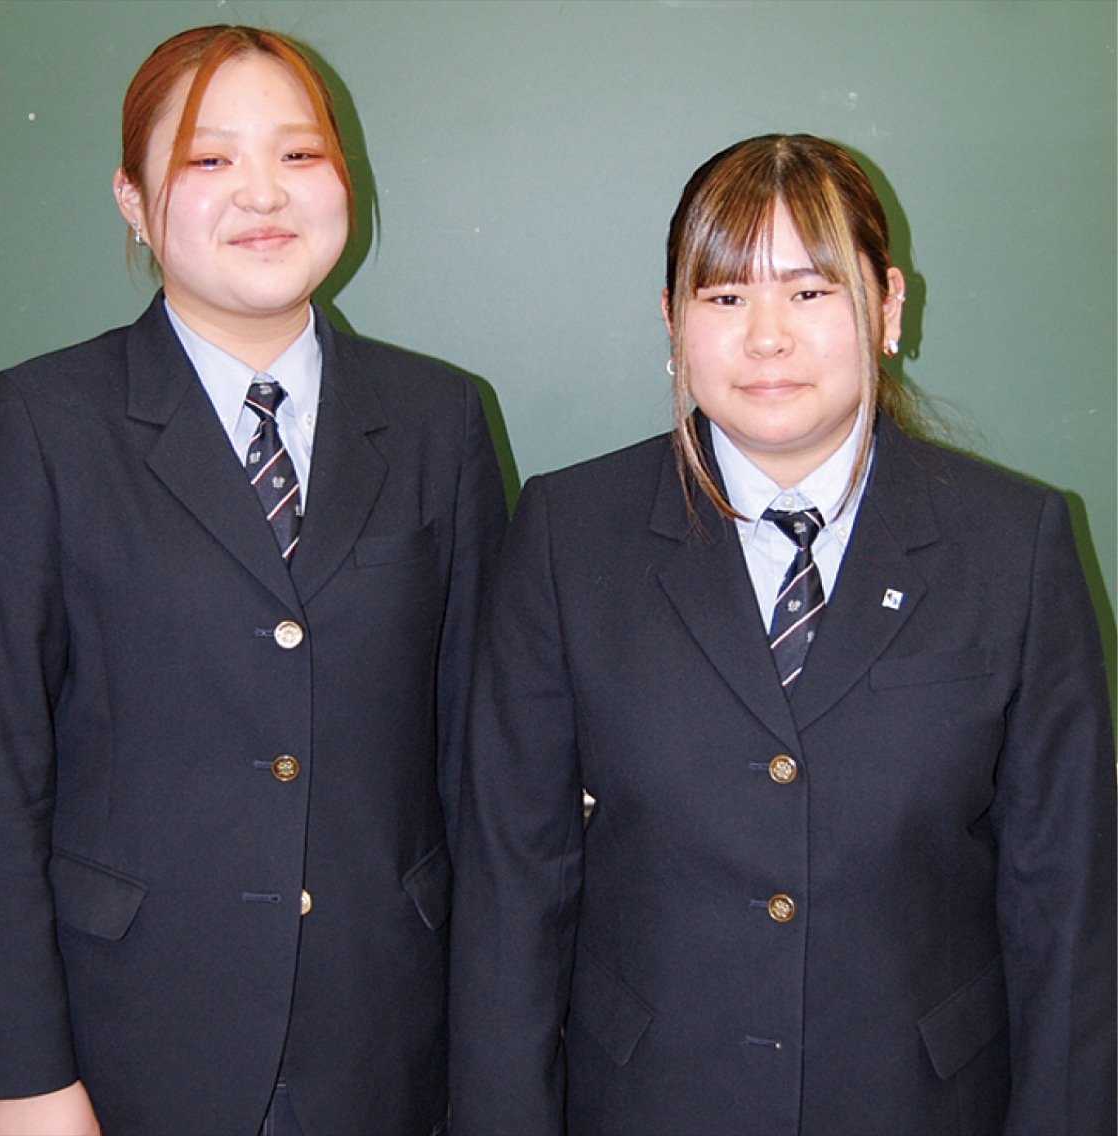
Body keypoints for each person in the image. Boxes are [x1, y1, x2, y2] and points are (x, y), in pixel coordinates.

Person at [449, 134, 1115, 1135]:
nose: (767, 336)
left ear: (888, 307)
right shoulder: (567, 533)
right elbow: (513, 894)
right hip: (649, 1101)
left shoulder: (1015, 543)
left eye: (810, 291)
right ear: (672, 321)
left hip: (925, 1103)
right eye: (725, 296)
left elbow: (1067, 905)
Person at [0, 24, 506, 1136]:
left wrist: (495, 1059)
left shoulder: (439, 418)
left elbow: (482, 765)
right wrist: (28, 1076)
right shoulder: (39, 423)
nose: (263, 192)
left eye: (298, 153)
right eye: (208, 157)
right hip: (126, 1046)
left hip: (390, 1041)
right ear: (134, 202)